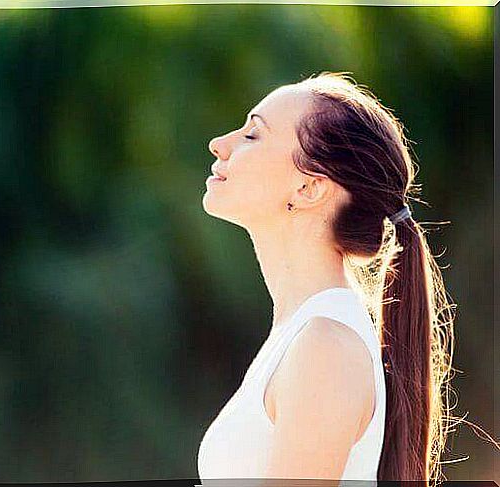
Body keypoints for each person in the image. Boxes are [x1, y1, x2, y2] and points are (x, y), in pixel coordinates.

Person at [196, 71, 457, 486]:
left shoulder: (325, 345)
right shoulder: (303, 334)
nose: (220, 144)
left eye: (252, 136)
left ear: (310, 188)